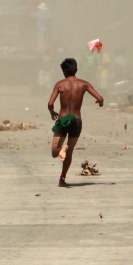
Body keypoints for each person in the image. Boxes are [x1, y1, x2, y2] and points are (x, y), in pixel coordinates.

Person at [48, 57, 104, 187]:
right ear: (76, 69)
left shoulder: (60, 84)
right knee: (70, 151)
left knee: (54, 151)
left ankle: (62, 148)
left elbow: (50, 103)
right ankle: (62, 179)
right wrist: (100, 103)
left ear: (63, 71)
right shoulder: (84, 84)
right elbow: (100, 98)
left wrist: (52, 112)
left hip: (62, 120)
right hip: (76, 120)